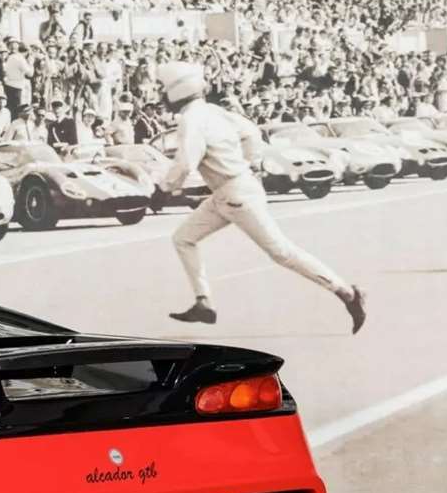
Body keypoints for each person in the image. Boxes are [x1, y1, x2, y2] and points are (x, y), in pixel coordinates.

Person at [157, 61, 366, 334]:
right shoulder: (213, 111)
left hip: (234, 195)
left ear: (177, 89)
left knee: (282, 252)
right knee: (183, 238)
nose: (162, 95)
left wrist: (164, 188)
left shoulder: (191, 119)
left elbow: (185, 162)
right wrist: (246, 163)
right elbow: (250, 133)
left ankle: (347, 293)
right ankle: (203, 301)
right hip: (231, 191)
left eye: (164, 88)